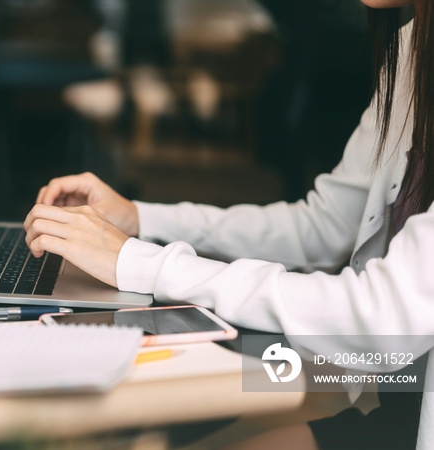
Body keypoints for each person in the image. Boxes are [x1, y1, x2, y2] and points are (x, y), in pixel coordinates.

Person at [23, 0, 434, 449]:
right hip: (393, 401)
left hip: (396, 394)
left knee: (188, 388)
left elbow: (376, 318)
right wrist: (142, 219)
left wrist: (141, 263)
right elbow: (322, 226)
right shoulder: (416, 47)